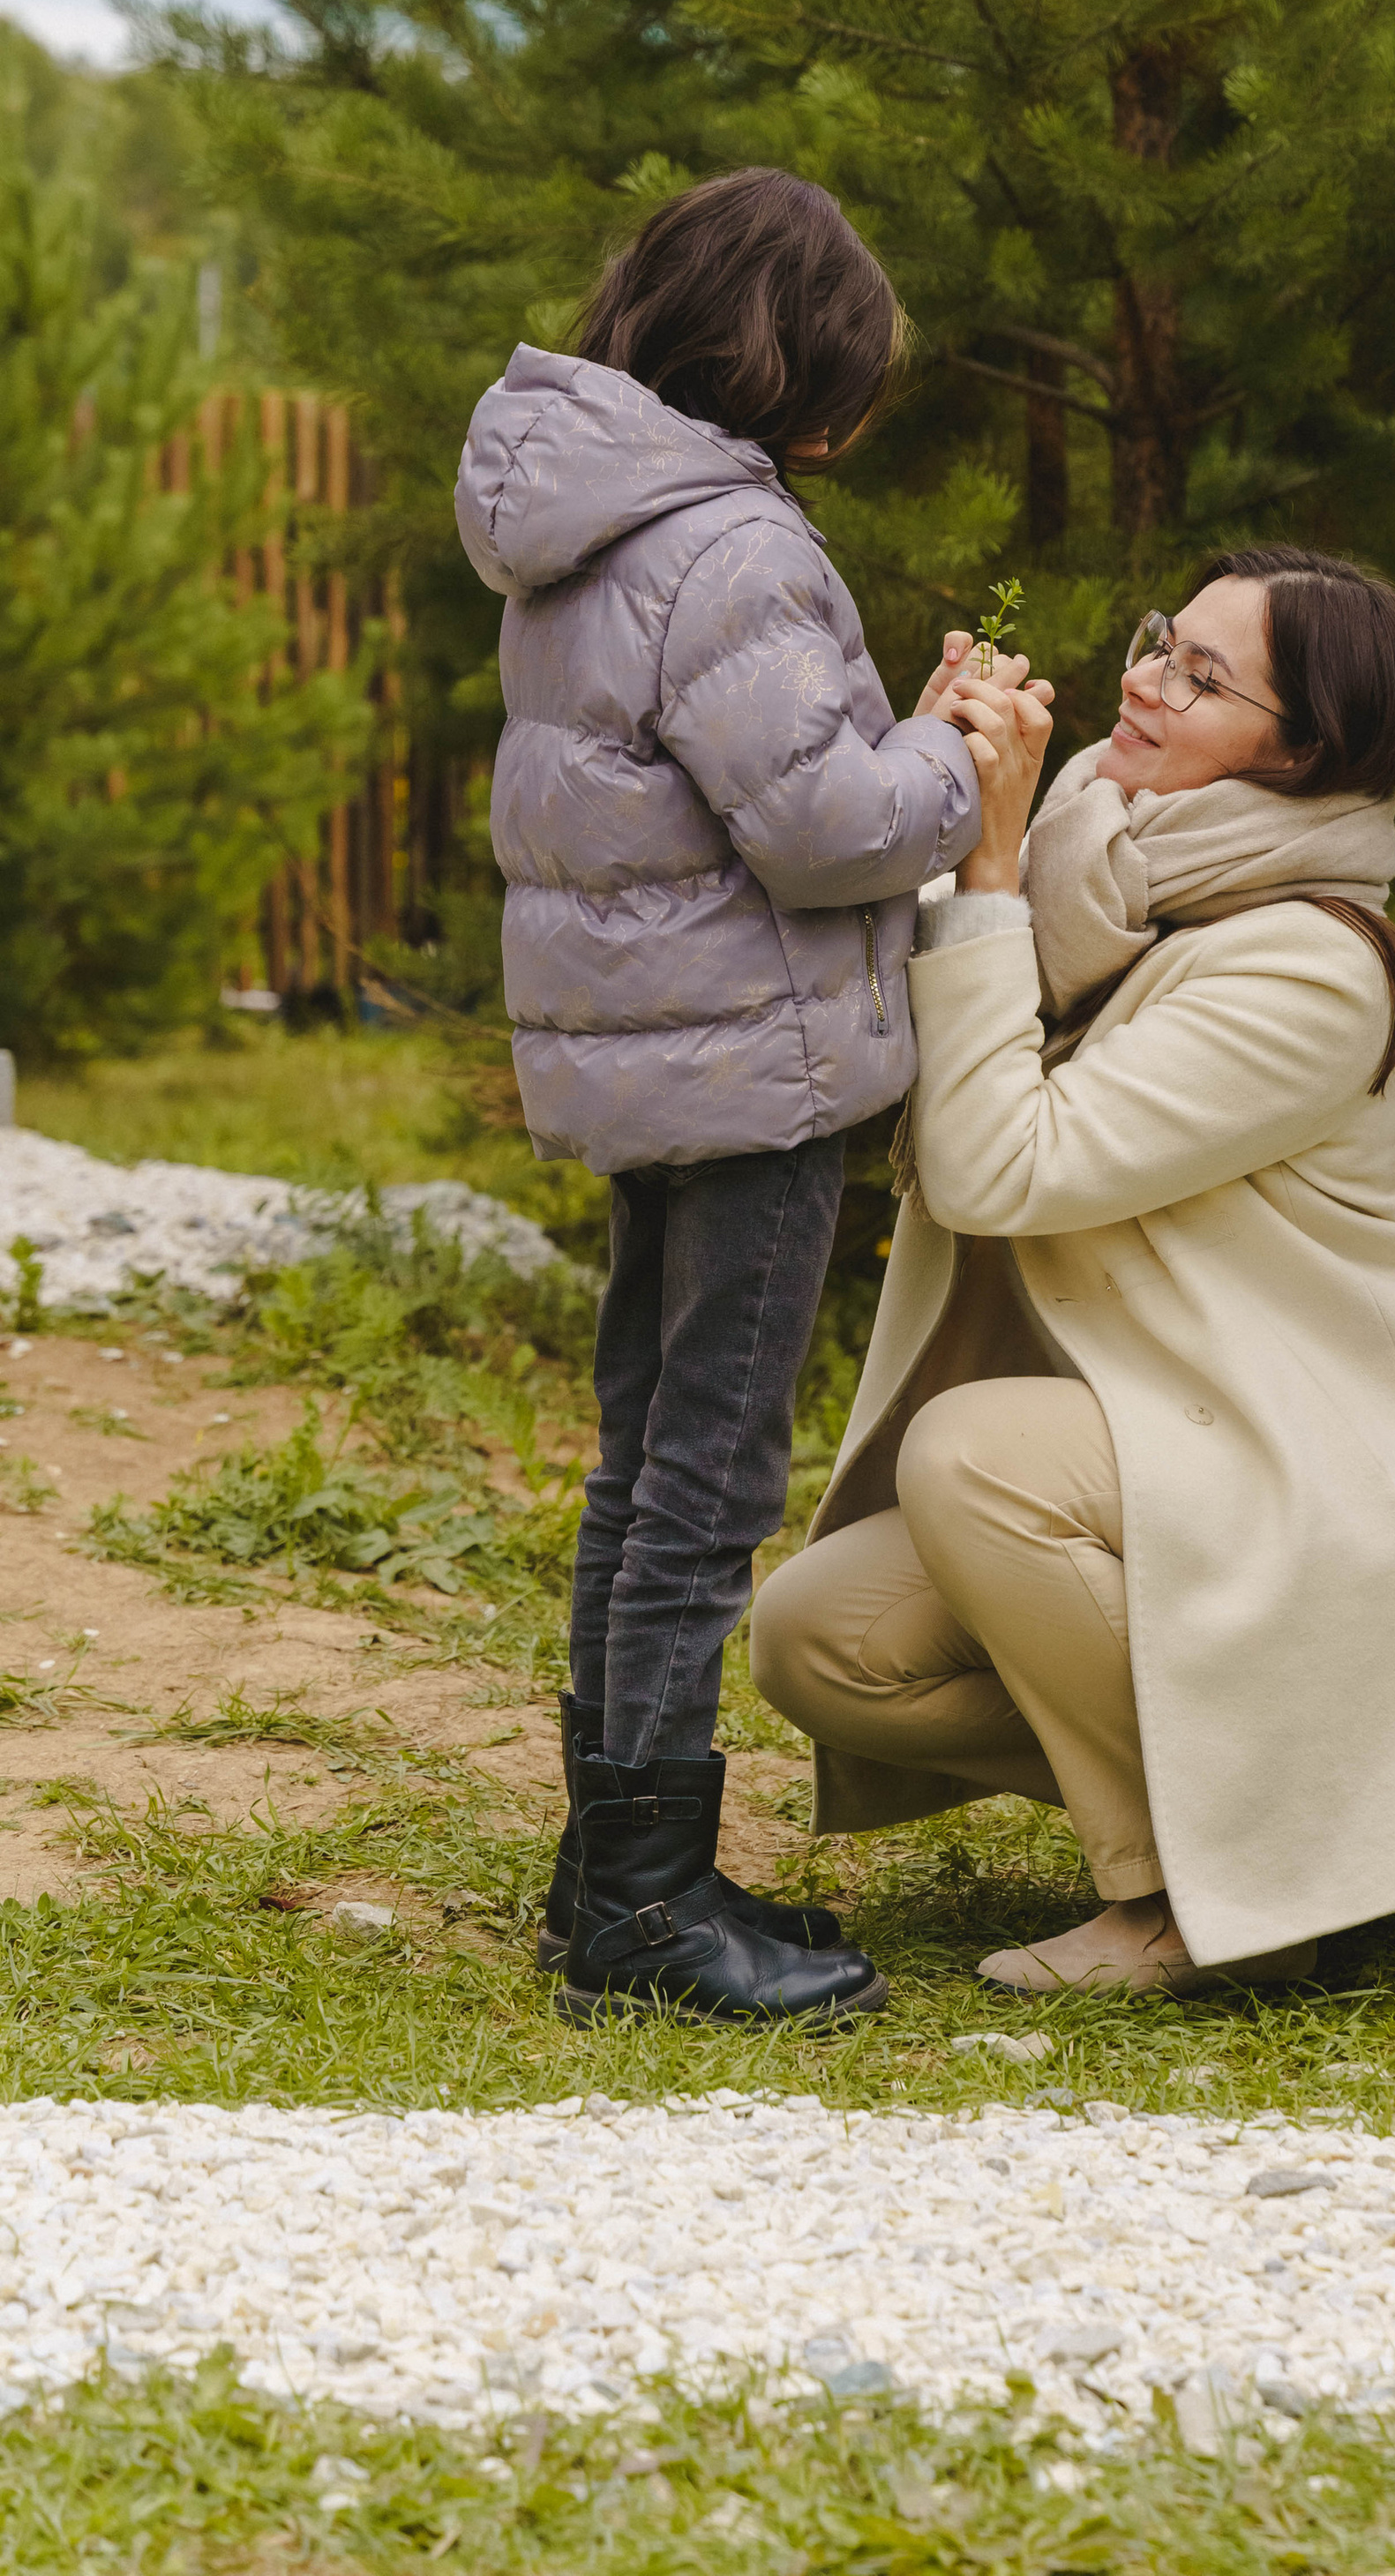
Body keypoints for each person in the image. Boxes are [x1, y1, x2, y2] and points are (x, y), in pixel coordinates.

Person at [751, 547, 1395, 1993]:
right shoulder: (1106, 873)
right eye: (1161, 642)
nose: (1143, 679)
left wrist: (989, 873)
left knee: (976, 1457)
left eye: (1202, 675)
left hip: (1331, 1471)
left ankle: (1198, 1903)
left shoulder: (1312, 966)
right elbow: (939, 1074)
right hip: (1199, 1445)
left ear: (1304, 754)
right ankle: (1302, 1814)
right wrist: (945, 807)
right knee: (823, 1637)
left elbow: (1002, 1166)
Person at [454, 168, 1043, 2028]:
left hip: (645, 1059)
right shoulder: (732, 545)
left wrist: (889, 742)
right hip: (755, 1075)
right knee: (704, 1484)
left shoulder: (585, 522)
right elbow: (818, 830)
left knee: (645, 1468)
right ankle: (642, 1908)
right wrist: (952, 758)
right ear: (791, 361)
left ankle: (605, 1870)